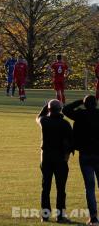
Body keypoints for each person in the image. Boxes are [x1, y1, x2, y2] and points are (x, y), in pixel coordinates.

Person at [63, 96, 99, 226]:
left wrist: (79, 101)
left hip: (85, 154)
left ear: (85, 104)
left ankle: (94, 218)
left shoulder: (80, 114)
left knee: (90, 187)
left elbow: (65, 109)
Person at [37, 99, 73, 223]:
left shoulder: (44, 121)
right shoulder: (65, 124)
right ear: (60, 109)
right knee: (61, 189)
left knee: (45, 187)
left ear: (49, 109)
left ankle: (45, 215)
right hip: (60, 158)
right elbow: (71, 142)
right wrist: (67, 156)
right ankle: (60, 215)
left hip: (46, 157)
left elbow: (39, 116)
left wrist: (46, 105)